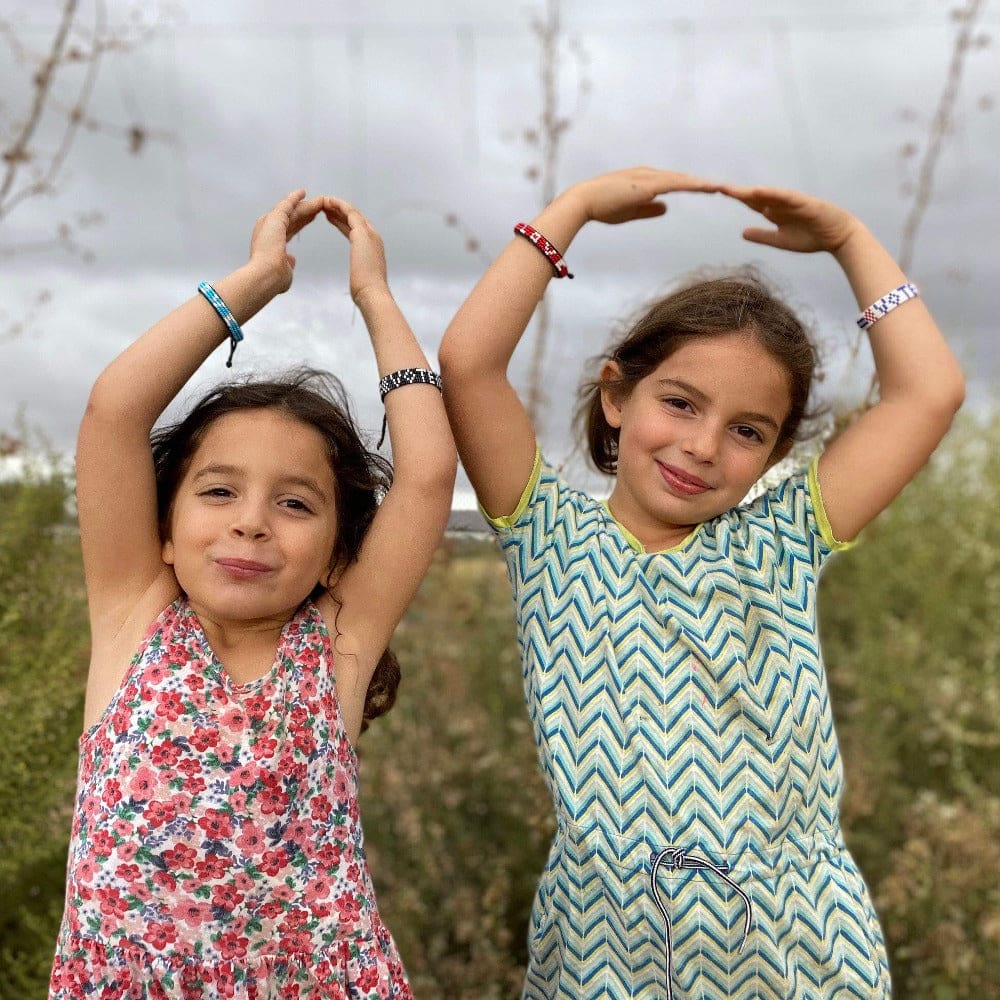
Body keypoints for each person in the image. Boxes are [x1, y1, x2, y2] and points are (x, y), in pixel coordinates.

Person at [438, 168, 964, 999]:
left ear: (777, 453)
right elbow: (467, 363)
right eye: (680, 404)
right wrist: (567, 213)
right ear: (617, 395)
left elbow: (928, 392)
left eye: (746, 430)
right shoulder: (547, 534)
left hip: (799, 953)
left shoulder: (782, 539)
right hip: (600, 956)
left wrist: (852, 241)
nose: (703, 445)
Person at [49, 190, 455, 998]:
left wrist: (374, 297)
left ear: (340, 554)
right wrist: (256, 280)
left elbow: (429, 475)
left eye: (295, 502)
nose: (252, 525)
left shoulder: (338, 643)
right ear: (163, 529)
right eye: (219, 493)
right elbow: (113, 412)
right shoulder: (135, 613)